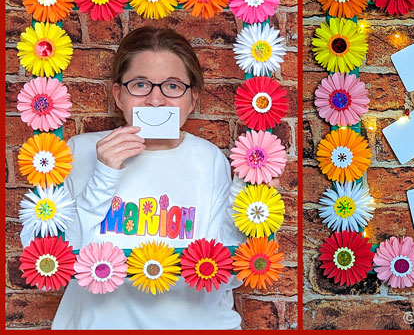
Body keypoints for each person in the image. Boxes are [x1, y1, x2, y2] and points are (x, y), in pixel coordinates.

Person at [21, 26, 246, 329]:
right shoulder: (78, 152)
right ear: (119, 95)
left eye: (172, 86)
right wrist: (104, 174)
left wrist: (249, 201)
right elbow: (47, 260)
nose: (156, 100)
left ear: (192, 99)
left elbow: (228, 271)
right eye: (140, 84)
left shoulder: (209, 160)